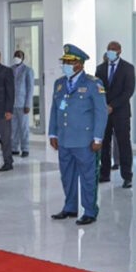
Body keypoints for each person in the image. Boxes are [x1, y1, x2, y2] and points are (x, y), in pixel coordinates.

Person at [49, 44, 107, 225]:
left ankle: (90, 211)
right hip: (64, 139)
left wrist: (98, 138)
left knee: (88, 178)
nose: (65, 65)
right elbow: (54, 110)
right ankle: (70, 207)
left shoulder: (93, 84)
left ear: (79, 64)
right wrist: (52, 133)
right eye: (64, 62)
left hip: (84, 140)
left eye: (69, 62)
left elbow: (101, 112)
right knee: (67, 176)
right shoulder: (59, 84)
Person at [95, 41, 136, 188]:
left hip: (121, 112)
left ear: (119, 51)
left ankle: (127, 176)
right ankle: (104, 173)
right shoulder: (100, 68)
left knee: (124, 144)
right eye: (108, 49)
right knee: (104, 143)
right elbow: (98, 88)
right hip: (104, 111)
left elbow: (129, 90)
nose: (110, 51)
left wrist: (112, 105)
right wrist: (103, 105)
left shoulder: (128, 68)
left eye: (113, 49)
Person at [10, 50, 34, 158]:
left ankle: (25, 148)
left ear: (23, 58)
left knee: (24, 128)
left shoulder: (28, 70)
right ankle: (14, 148)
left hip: (22, 104)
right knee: (13, 128)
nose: (16, 57)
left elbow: (30, 88)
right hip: (12, 104)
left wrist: (27, 104)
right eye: (15, 55)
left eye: (19, 56)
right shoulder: (10, 69)